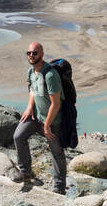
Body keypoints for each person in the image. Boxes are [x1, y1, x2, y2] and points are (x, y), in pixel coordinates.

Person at [13, 41, 67, 195]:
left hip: (52, 120)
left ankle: (59, 187)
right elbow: (32, 90)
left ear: (42, 54)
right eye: (29, 53)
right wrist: (30, 106)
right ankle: (25, 172)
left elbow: (55, 104)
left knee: (56, 152)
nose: (31, 55)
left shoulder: (50, 75)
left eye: (34, 53)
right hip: (36, 116)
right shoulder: (31, 72)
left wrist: (47, 125)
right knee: (18, 136)